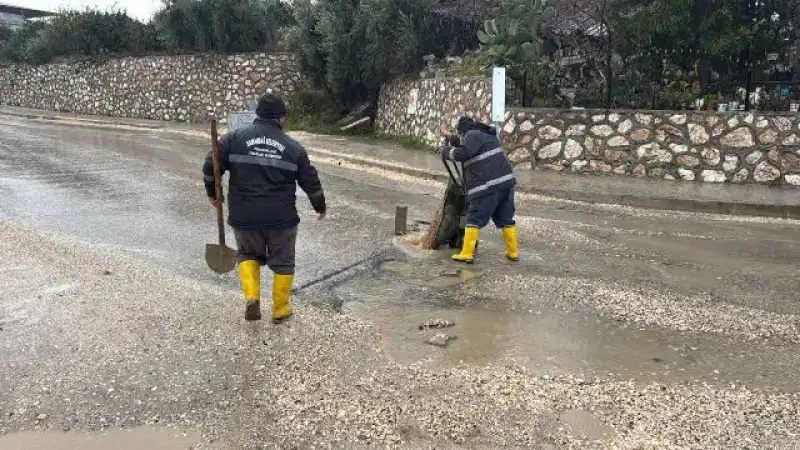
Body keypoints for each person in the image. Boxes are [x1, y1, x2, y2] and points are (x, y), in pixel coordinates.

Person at [203, 92, 327, 323]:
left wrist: (212, 193)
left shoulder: (233, 139)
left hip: (244, 216)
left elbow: (211, 165)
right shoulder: (293, 148)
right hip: (281, 218)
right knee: (284, 261)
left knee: (248, 254)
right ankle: (280, 309)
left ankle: (252, 298)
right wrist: (320, 206)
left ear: (257, 115)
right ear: (281, 118)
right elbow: (310, 179)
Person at [441, 116, 518, 264]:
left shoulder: (471, 135)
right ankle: (513, 252)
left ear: (464, 131)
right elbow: (464, 145)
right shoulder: (486, 135)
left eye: (461, 134)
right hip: (506, 184)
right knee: (506, 218)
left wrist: (446, 152)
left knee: (474, 218)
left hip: (487, 186)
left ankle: (467, 253)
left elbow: (464, 153)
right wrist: (449, 136)